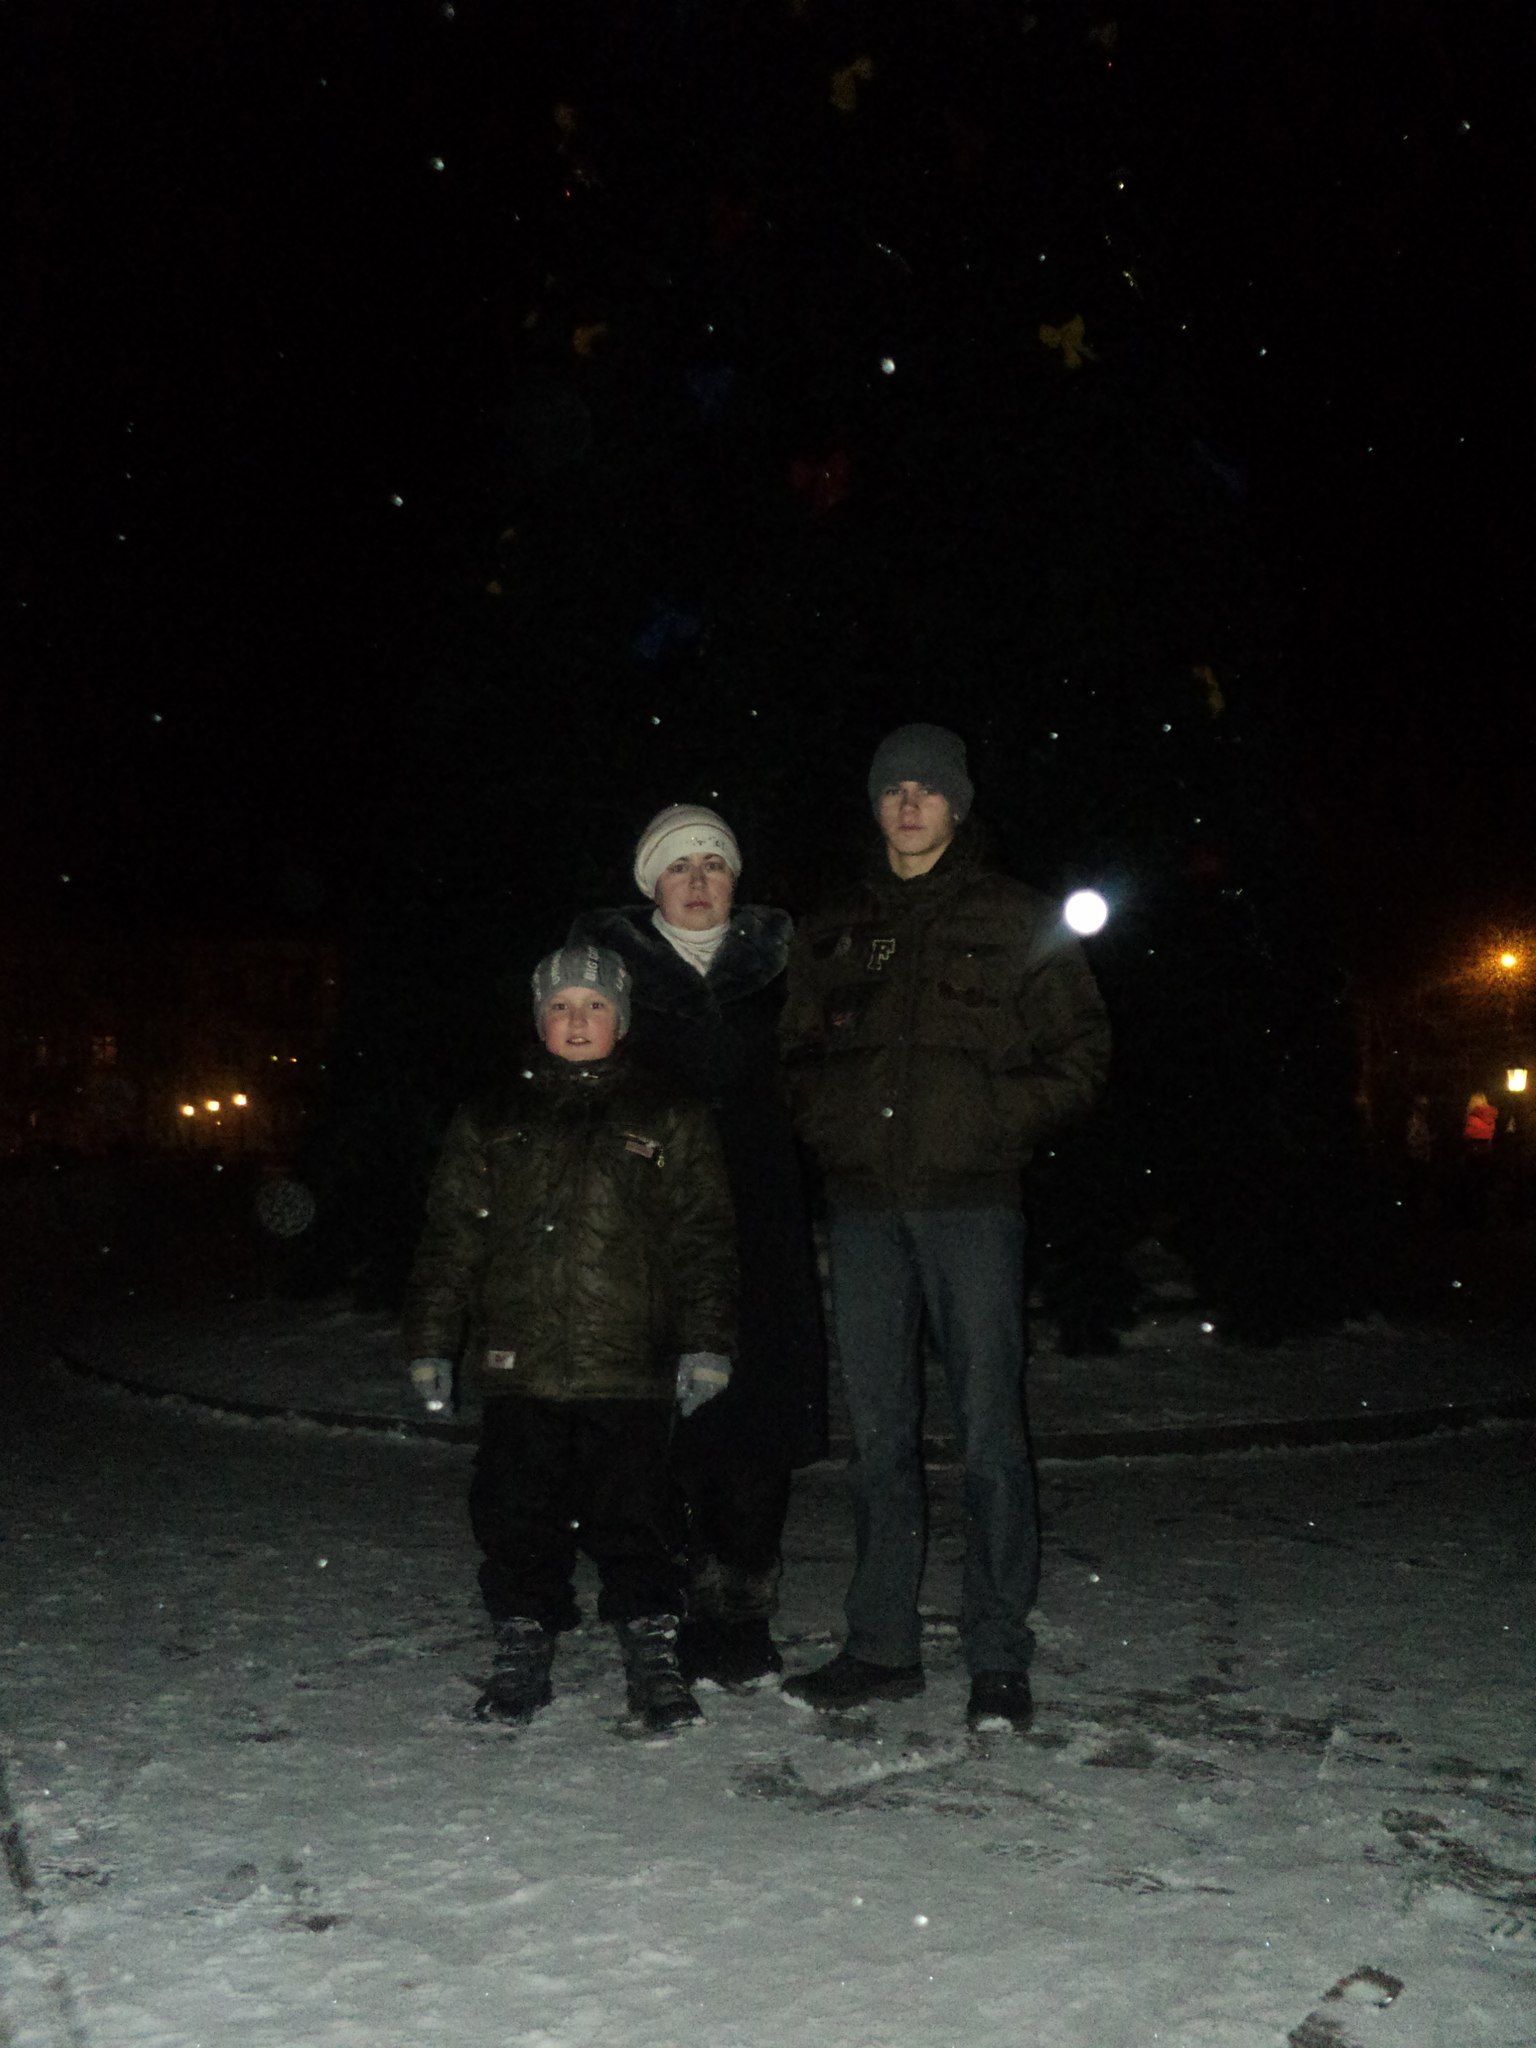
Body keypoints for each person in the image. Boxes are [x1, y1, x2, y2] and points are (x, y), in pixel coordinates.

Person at [778, 723, 1110, 1732]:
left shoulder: (1017, 917)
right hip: (866, 1212)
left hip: (974, 1210)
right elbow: (795, 1056)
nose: (910, 803)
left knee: (990, 1436)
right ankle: (881, 1644)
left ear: (957, 805)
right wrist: (831, 1127)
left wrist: (991, 1123)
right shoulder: (834, 924)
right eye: (894, 789)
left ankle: (997, 1653)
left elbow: (1082, 1052)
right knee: (879, 1438)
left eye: (928, 789)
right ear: (875, 805)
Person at [402, 944, 737, 1734]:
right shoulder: (492, 1117)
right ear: (538, 1019)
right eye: (560, 1005)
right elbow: (452, 1238)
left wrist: (707, 1341)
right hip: (519, 1363)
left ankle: (651, 1646)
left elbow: (703, 1237)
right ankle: (523, 1639)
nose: (576, 1020)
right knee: (516, 1512)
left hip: (629, 1365)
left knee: (640, 1515)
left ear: (622, 1019)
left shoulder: (667, 1114)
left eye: (594, 1005)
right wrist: (432, 1342)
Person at [568, 805, 825, 1687]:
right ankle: (664, 1600)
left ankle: (740, 1604)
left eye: (714, 863)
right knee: (659, 1416)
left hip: (761, 1217)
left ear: (735, 878)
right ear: (652, 883)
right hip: (650, 1218)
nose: (699, 880)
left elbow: (822, 1075)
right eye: (679, 866)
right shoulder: (611, 973)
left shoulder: (786, 967)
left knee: (754, 1415)